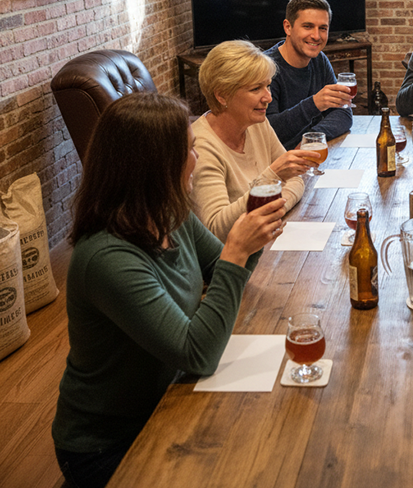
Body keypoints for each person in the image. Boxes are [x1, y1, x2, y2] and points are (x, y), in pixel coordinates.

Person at [52, 93, 283, 488]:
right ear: (154, 165)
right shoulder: (107, 257)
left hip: (171, 395)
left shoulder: (169, 213)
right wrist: (238, 249)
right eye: (190, 150)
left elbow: (225, 269)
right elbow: (198, 353)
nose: (197, 158)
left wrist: (249, 243)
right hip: (109, 443)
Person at [193, 40, 318, 240]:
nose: (268, 97)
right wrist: (271, 177)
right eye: (256, 89)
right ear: (222, 96)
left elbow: (295, 178)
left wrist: (273, 210)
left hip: (265, 239)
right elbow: (216, 229)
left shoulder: (256, 122)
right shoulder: (200, 146)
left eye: (267, 86)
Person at [264, 0, 353, 149]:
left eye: (323, 28)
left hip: (308, 156)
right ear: (288, 27)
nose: (316, 36)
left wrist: (312, 139)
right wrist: (314, 104)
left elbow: (343, 113)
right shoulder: (265, 68)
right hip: (275, 163)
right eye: (308, 26)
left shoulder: (319, 60)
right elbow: (267, 131)